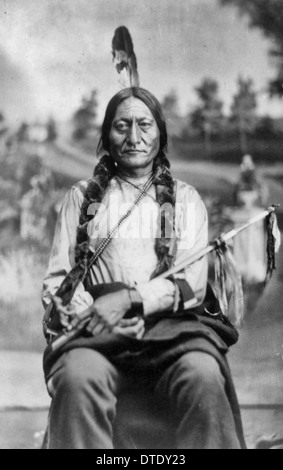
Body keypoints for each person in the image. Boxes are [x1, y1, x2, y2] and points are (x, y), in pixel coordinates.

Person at [42, 87, 245, 450]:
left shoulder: (185, 200)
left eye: (144, 125)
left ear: (160, 135)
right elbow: (59, 281)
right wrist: (96, 312)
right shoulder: (80, 198)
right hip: (98, 327)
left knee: (202, 374)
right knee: (77, 377)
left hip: (171, 328)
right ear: (106, 136)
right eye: (122, 126)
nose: (134, 137)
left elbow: (192, 285)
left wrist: (132, 301)